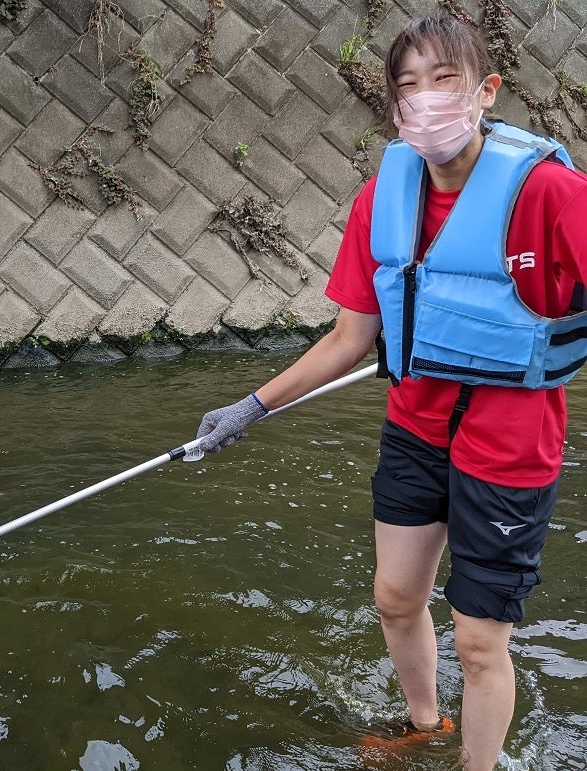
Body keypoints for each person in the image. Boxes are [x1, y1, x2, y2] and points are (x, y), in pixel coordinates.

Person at [194, 14, 586, 771]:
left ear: (485, 90)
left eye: (444, 80)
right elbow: (350, 337)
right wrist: (252, 405)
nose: (425, 99)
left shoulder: (550, 191)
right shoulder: (382, 198)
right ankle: (424, 724)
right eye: (407, 85)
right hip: (415, 427)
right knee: (396, 598)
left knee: (477, 639)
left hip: (510, 446)